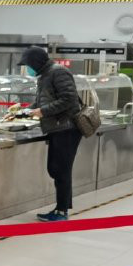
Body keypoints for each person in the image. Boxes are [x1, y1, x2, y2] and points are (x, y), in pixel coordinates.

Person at [20, 46, 83, 222]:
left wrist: (43, 111)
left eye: (28, 65)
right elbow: (44, 100)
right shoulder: (45, 74)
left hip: (67, 128)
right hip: (57, 128)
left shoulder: (58, 72)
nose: (27, 69)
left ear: (36, 62)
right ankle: (62, 208)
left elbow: (68, 99)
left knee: (61, 170)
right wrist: (26, 110)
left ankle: (61, 212)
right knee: (56, 169)